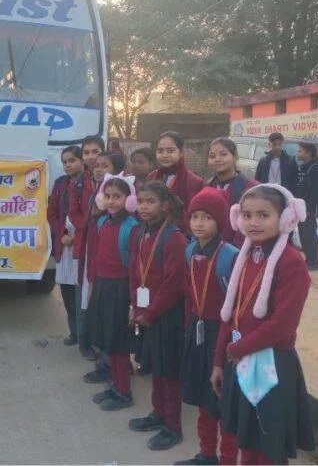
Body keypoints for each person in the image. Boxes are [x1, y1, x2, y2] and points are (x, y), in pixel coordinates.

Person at [211, 184, 315, 464]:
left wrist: (236, 349)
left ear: (285, 218)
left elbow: (282, 325)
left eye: (263, 215)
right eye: (247, 215)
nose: (253, 222)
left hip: (272, 363)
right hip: (239, 357)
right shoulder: (244, 256)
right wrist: (219, 361)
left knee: (268, 445)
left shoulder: (291, 262)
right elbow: (229, 313)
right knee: (246, 439)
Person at [175, 188, 239, 465]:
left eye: (207, 217)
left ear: (220, 221)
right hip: (197, 331)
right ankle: (206, 454)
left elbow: (236, 307)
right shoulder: (190, 250)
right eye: (194, 217)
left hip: (221, 335)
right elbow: (189, 296)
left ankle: (227, 459)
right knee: (203, 398)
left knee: (222, 402)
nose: (199, 223)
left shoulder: (230, 257)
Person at [128, 181, 187, 450]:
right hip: (146, 313)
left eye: (150, 202)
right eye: (141, 202)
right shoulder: (141, 231)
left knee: (168, 371)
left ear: (164, 205)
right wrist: (135, 306)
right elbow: (135, 271)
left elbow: (173, 283)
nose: (143, 207)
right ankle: (158, 413)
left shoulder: (174, 237)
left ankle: (173, 426)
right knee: (154, 366)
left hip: (167, 315)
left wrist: (150, 313)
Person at [87, 174, 138, 411]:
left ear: (129, 200)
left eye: (117, 196)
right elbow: (95, 257)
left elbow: (134, 268)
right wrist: (92, 286)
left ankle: (124, 392)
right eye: (107, 196)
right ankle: (114, 384)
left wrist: (133, 303)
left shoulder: (132, 227)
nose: (111, 201)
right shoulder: (101, 223)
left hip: (121, 289)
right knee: (107, 339)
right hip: (102, 286)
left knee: (119, 343)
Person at [74, 154, 120, 381]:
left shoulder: (125, 220)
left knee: (113, 325)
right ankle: (105, 365)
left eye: (105, 166)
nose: (99, 169)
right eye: (97, 166)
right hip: (95, 265)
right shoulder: (99, 208)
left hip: (116, 278)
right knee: (99, 316)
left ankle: (115, 371)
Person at [67, 136, 105, 360]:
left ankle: (103, 343)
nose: (91, 157)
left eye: (96, 151)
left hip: (108, 244)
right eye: (87, 152)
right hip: (85, 245)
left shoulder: (113, 180)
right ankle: (84, 342)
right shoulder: (78, 183)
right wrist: (89, 225)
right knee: (82, 293)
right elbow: (73, 213)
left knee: (102, 295)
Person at [47, 145, 84, 346]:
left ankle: (85, 337)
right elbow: (52, 213)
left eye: (72, 160)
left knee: (81, 295)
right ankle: (74, 333)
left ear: (82, 161)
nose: (68, 165)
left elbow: (90, 216)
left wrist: (76, 237)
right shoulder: (60, 183)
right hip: (64, 245)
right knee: (67, 293)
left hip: (82, 245)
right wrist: (60, 234)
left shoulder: (89, 182)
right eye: (64, 162)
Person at [205, 138, 258, 247]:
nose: (217, 159)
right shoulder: (206, 187)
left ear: (235, 157)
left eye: (223, 154)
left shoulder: (252, 188)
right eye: (212, 156)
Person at [148, 131, 204, 232]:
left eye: (170, 151)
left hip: (181, 234)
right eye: (160, 151)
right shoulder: (152, 177)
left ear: (181, 152)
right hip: (152, 231)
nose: (164, 155)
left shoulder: (195, 182)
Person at [294, 142, 318, 271]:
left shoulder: (315, 169)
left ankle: (313, 263)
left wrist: (308, 208)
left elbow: (315, 192)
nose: (298, 153)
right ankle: (309, 260)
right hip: (303, 206)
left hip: (309, 207)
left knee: (309, 234)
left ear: (309, 153)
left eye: (301, 151)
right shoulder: (305, 167)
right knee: (304, 233)